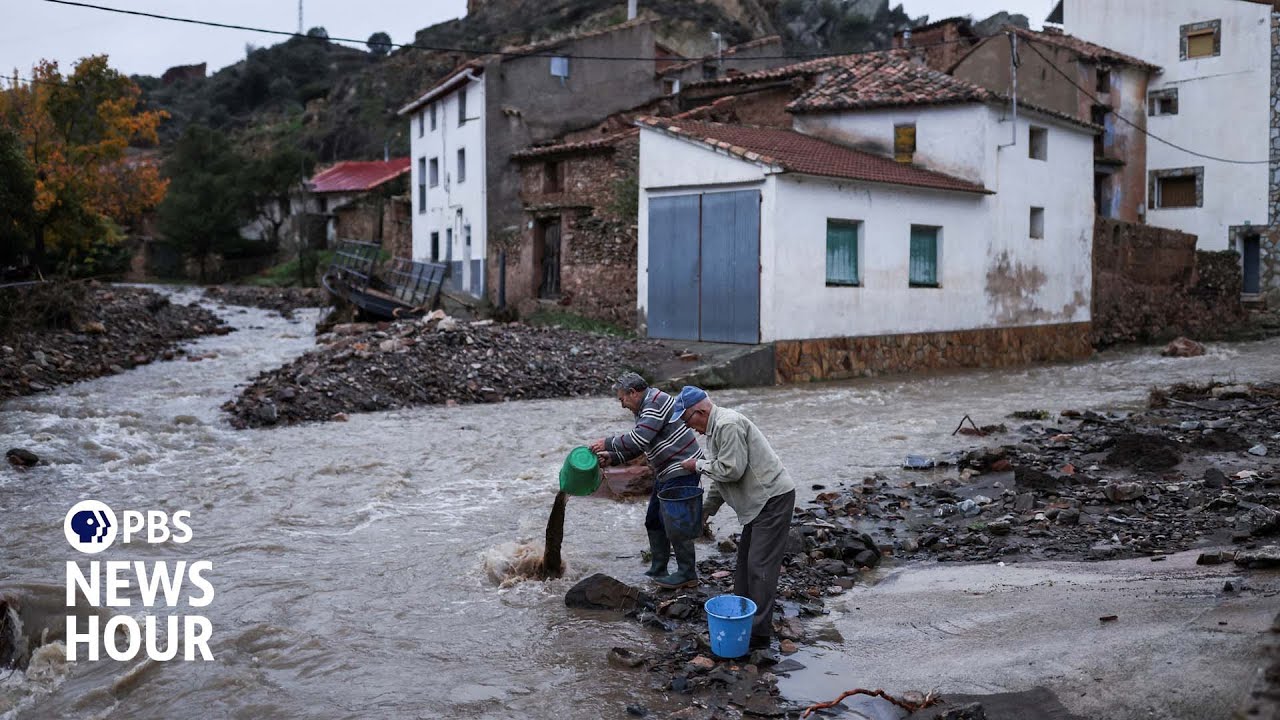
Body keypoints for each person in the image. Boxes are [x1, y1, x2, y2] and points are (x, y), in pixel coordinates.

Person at [671, 386, 796, 649]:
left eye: (687, 420)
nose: (688, 427)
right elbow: (720, 478)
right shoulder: (714, 431)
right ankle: (741, 619)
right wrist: (707, 510)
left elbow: (731, 470)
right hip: (757, 504)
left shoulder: (727, 425)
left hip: (771, 499)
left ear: (701, 411)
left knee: (759, 567)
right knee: (743, 569)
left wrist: (697, 466)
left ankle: (758, 636)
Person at [589, 372, 704, 589]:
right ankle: (659, 567)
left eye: (622, 398)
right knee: (653, 519)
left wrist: (606, 442)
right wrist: (613, 458)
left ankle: (687, 573)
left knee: (676, 523)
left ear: (633, 392)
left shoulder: (656, 401)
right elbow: (641, 445)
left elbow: (640, 437)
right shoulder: (645, 408)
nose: (622, 405)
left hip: (683, 468)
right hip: (666, 471)